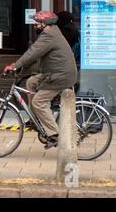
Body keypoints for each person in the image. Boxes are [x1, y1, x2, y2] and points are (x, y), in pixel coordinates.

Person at [4, 11, 78, 149]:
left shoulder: (49, 35)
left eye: (37, 23)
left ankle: (54, 134)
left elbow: (33, 53)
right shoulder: (52, 33)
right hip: (54, 73)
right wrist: (23, 66)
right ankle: (35, 118)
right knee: (31, 82)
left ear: (45, 24)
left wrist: (15, 66)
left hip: (60, 76)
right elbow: (37, 55)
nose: (35, 25)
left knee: (39, 101)